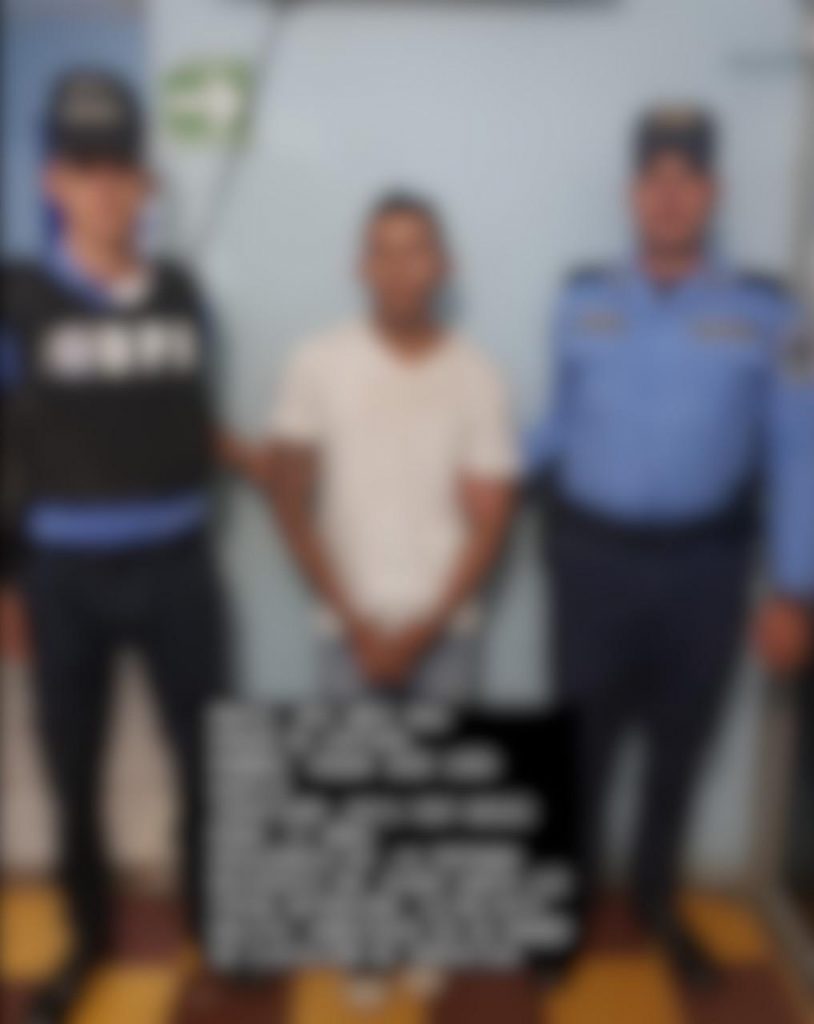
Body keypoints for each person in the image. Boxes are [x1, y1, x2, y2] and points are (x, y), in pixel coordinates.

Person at [527, 108, 814, 988]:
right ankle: (563, 909)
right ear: (632, 192)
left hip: (704, 571)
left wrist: (795, 591)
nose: (670, 195)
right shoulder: (582, 299)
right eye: (655, 178)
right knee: (580, 746)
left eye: (688, 179)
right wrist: (487, 477)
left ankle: (655, 898)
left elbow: (797, 453)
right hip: (591, 565)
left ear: (713, 192)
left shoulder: (767, 311)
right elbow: (555, 426)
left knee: (678, 750)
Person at [0, 70, 264, 1024]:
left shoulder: (185, 296)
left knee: (211, 761)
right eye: (83, 166)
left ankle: (220, 927)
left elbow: (186, 419)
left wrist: (257, 461)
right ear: (52, 181)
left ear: (146, 181)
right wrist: (7, 583)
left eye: (120, 166)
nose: (105, 186)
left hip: (179, 567)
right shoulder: (17, 298)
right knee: (72, 774)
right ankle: (90, 937)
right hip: (63, 578)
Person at [268, 193, 516, 699]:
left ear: (444, 265)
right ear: (362, 267)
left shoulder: (478, 375)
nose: (399, 269)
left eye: (415, 251)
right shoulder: (316, 363)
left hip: (449, 637)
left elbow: (491, 523)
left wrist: (421, 634)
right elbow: (289, 503)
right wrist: (356, 626)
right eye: (383, 252)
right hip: (344, 636)